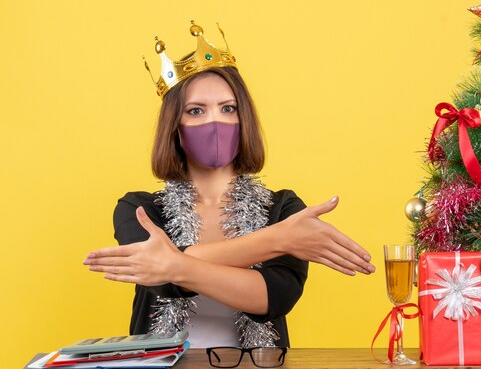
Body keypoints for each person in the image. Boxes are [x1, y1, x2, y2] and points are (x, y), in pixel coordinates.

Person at [83, 22, 374, 349]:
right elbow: (165, 284)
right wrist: (280, 238)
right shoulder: (139, 210)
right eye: (196, 111)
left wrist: (177, 263)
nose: (214, 122)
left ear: (243, 117)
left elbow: (272, 297)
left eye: (228, 108)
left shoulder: (283, 208)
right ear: (175, 127)